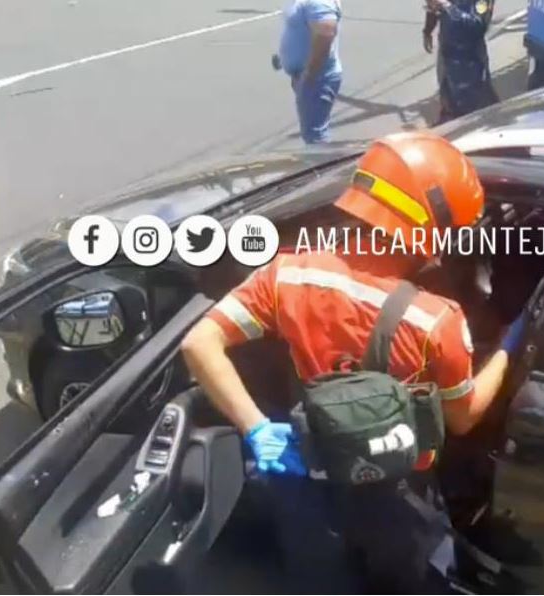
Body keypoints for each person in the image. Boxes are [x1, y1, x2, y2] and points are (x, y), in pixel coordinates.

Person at [181, 131, 523, 592]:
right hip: (397, 496)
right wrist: (507, 346)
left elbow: (199, 343)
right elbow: (462, 418)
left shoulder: (286, 274)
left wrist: (256, 427)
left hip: (312, 473)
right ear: (428, 229)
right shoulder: (435, 321)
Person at [423, 0, 499, 124]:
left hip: (471, 57)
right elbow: (434, 7)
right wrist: (427, 30)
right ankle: (449, 121)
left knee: (478, 101)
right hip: (447, 52)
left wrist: (449, 8)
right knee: (447, 92)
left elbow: (478, 26)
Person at [278, 0, 343, 144]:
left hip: (317, 78)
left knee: (315, 136)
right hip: (308, 76)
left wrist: (309, 74)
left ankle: (320, 164)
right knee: (313, 132)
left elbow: (325, 33)